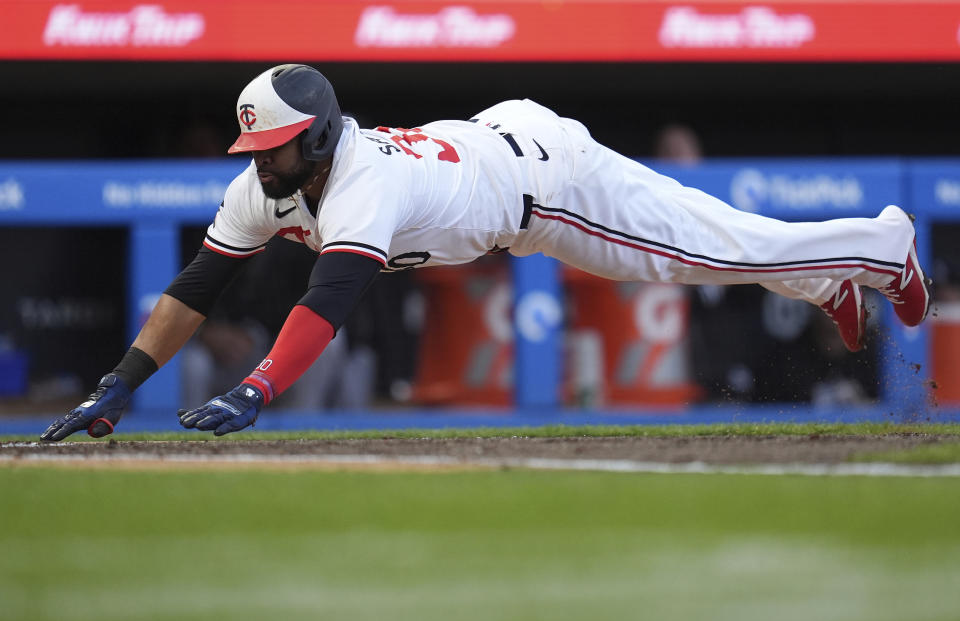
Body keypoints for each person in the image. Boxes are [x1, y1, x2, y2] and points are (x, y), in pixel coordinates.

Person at [40, 64, 931, 441]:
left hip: (548, 184)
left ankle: (882, 247)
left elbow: (328, 301)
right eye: (253, 151)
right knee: (708, 252)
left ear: (313, 140)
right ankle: (826, 281)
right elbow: (196, 286)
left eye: (270, 148)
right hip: (501, 155)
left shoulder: (362, 184)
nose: (256, 164)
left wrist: (254, 389)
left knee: (703, 253)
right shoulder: (265, 187)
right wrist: (120, 383)